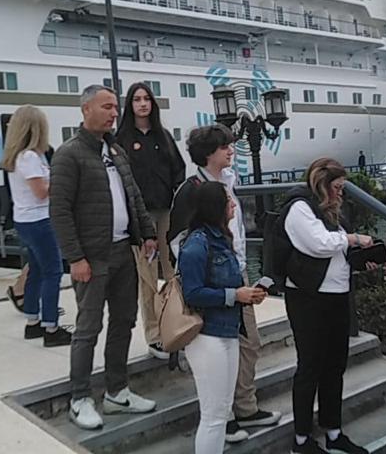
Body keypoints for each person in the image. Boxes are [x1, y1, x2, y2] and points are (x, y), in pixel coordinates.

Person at [50, 85, 158, 430]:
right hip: (92, 257)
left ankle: (117, 391)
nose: (114, 113)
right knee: (88, 328)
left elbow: (133, 195)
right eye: (106, 107)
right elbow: (59, 211)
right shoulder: (69, 154)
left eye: (115, 107)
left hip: (124, 250)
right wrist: (75, 258)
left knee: (124, 321)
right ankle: (80, 397)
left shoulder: (115, 150)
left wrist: (147, 232)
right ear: (86, 109)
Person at [168, 124, 282, 441]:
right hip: (212, 280)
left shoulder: (229, 180)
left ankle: (244, 407)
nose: (231, 150)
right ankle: (226, 414)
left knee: (249, 342)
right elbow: (177, 238)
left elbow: (236, 230)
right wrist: (205, 269)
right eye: (224, 147)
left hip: (236, 270)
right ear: (208, 153)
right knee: (220, 344)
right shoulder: (191, 190)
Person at [281, 158, 373, 454]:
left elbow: (337, 248)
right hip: (308, 296)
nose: (341, 193)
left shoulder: (332, 211)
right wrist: (353, 239)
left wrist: (362, 257)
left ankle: (334, 431)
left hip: (337, 293)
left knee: (334, 365)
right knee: (310, 365)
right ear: (323, 184)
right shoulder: (299, 207)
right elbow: (319, 244)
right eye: (337, 187)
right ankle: (301, 439)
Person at [180, 181, 268, 453]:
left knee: (221, 410)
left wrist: (248, 295)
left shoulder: (221, 239)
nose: (233, 205)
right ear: (215, 206)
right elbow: (192, 293)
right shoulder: (197, 245)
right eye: (228, 200)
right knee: (214, 416)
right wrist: (234, 295)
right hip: (208, 335)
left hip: (229, 331)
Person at [115, 82, 186, 360]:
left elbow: (178, 169)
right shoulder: (121, 140)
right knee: (147, 278)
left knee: (172, 272)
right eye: (137, 99)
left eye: (146, 99)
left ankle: (175, 324)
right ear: (130, 104)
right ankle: (154, 335)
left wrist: (177, 197)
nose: (143, 104)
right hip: (138, 217)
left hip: (165, 212)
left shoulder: (163, 136)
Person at [1, 105, 70, 347]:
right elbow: (40, 192)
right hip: (39, 220)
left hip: (25, 220)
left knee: (37, 270)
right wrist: (63, 182)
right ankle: (51, 327)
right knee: (53, 272)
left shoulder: (17, 157)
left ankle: (33, 320)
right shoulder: (30, 157)